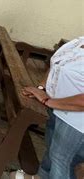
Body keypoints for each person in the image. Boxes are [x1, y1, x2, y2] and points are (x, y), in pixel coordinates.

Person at [11, 37, 84, 179]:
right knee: (52, 151)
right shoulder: (79, 41)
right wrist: (41, 88)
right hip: (57, 110)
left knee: (61, 161)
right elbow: (56, 64)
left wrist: (48, 101)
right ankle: (42, 176)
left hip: (76, 122)